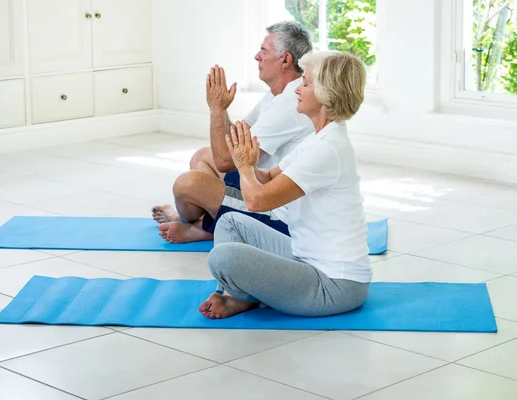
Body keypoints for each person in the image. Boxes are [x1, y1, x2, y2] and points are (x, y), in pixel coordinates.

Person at [198, 51, 371, 319]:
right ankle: (237, 295)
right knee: (230, 223)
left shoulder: (328, 149)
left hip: (334, 285)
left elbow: (257, 201)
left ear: (326, 92)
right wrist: (246, 157)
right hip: (304, 257)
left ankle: (238, 295)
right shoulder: (319, 138)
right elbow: (268, 177)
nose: (297, 90)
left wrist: (243, 166)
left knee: (222, 258)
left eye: (306, 84)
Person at [151, 21, 314, 243]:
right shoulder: (278, 94)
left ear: (285, 60)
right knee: (201, 156)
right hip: (260, 182)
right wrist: (223, 109)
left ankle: (202, 226)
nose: (257, 57)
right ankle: (208, 225)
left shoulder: (288, 104)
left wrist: (216, 109)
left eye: (263, 51)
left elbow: (225, 162)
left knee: (187, 184)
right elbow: (235, 139)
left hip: (276, 211)